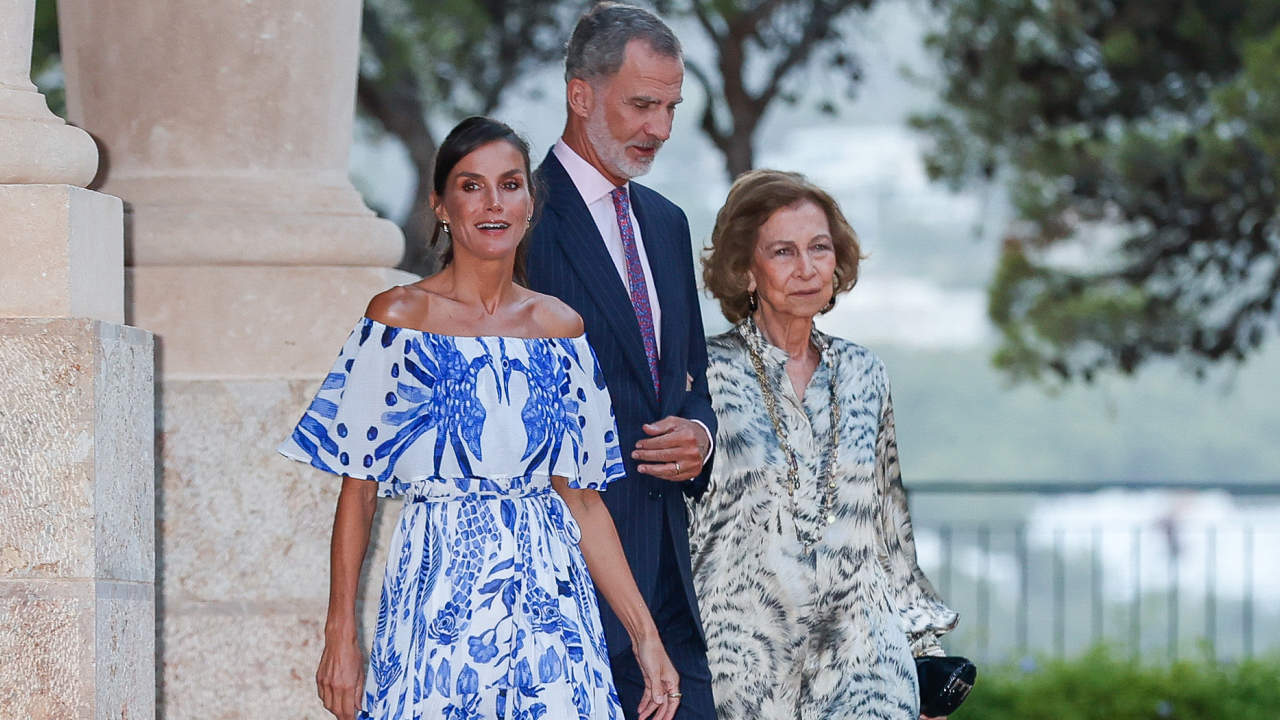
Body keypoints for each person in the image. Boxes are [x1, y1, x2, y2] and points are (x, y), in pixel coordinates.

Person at [278, 116, 682, 720]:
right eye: (471, 186)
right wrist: (340, 635)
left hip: (552, 602)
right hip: (435, 592)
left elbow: (584, 503)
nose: (493, 203)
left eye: (510, 184)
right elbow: (357, 492)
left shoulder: (562, 328)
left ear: (529, 202)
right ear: (441, 205)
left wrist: (645, 637)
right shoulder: (398, 318)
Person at [690, 169, 959, 720]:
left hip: (866, 665)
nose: (807, 268)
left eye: (819, 248)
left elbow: (889, 527)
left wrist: (925, 654)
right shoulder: (702, 373)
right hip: (744, 665)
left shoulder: (866, 372)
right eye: (783, 252)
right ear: (745, 269)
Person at [525, 4, 717, 719]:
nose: (660, 129)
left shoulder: (667, 223)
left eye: (670, 107)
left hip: (668, 585)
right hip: (561, 590)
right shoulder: (519, 221)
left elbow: (690, 380)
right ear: (581, 95)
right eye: (643, 105)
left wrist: (700, 436)